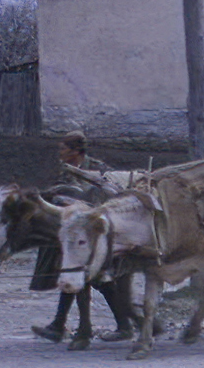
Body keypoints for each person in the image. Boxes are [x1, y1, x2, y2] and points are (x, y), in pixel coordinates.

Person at [29, 132, 137, 349]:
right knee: (79, 277)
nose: (59, 153)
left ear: (76, 151)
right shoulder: (65, 172)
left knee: (93, 280)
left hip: (96, 231)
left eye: (63, 149)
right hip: (76, 231)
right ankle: (62, 325)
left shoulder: (98, 171)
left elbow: (106, 195)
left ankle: (118, 326)